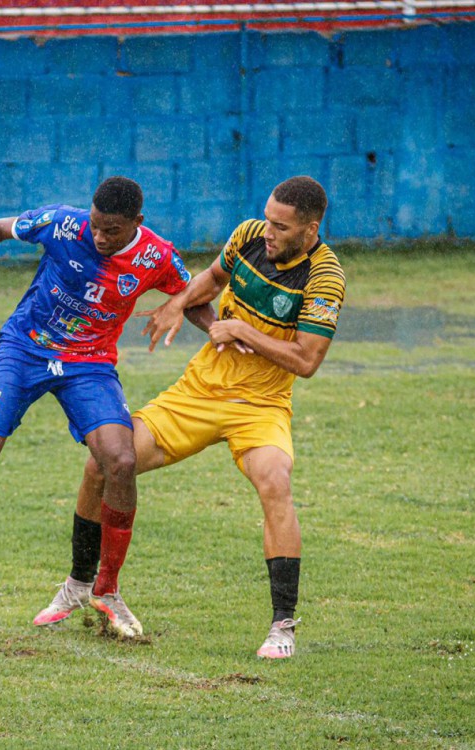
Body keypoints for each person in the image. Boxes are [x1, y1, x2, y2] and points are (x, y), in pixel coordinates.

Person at [0, 176, 210, 638]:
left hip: (89, 365)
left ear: (137, 223)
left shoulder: (156, 256)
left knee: (122, 459)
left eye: (112, 230)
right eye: (96, 225)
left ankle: (105, 589)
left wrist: (220, 331)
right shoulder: (64, 224)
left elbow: (192, 296)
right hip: (23, 351)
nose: (100, 237)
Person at [32, 176, 345, 658]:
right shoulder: (247, 236)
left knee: (275, 482)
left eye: (281, 227)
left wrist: (241, 328)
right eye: (268, 219)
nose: (269, 232)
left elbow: (306, 361)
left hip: (260, 407)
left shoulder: (325, 278)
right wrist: (178, 302)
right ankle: (79, 583)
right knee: (106, 460)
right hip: (199, 393)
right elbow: (212, 280)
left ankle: (283, 625)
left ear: (310, 228)